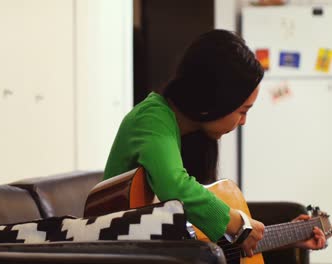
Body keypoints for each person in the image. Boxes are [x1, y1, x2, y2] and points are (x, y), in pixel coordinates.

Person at [103, 29, 326, 256]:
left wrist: (281, 238)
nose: (243, 121)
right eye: (242, 111)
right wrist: (239, 224)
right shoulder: (151, 118)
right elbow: (174, 186)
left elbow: (204, 241)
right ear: (217, 98)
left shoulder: (191, 135)